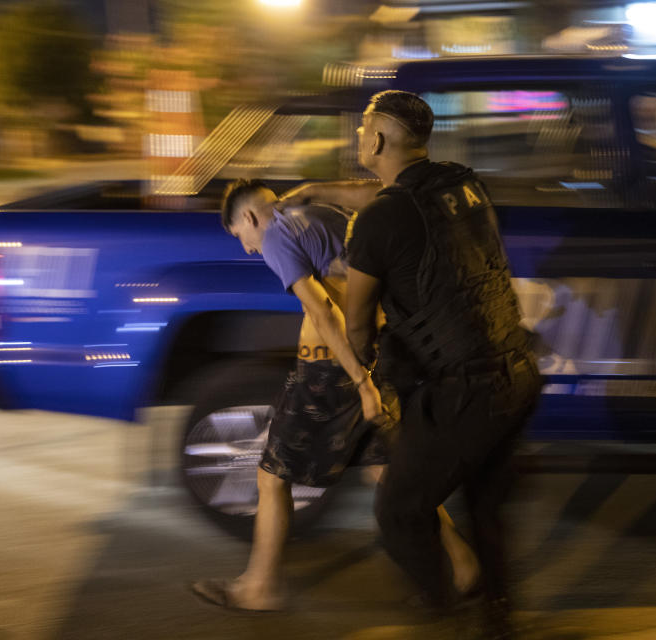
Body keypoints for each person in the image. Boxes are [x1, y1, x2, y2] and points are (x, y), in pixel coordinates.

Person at [282, 91, 543, 637]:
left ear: (377, 139)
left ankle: (442, 615)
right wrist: (316, 191)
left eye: (361, 129)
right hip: (516, 374)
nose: (356, 137)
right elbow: (387, 202)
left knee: (399, 512)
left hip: (463, 393)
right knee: (485, 507)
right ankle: (499, 619)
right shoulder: (460, 183)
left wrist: (362, 378)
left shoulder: (379, 222)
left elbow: (356, 325)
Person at [190, 179, 479, 611]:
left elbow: (323, 310)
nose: (249, 248)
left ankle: (260, 588)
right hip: (368, 354)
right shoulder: (321, 216)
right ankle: (464, 563)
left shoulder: (277, 233)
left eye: (241, 237)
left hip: (330, 373)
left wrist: (360, 382)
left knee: (271, 477)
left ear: (250, 217)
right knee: (386, 473)